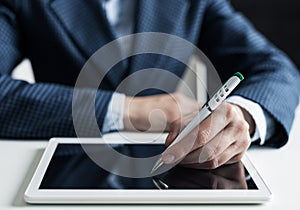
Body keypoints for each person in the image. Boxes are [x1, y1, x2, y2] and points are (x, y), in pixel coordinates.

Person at [0, 0, 299, 170]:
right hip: (64, 169)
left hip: (174, 169)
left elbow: (277, 69)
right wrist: (133, 109)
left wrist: (242, 115)